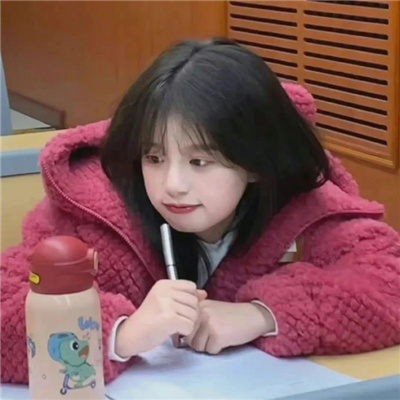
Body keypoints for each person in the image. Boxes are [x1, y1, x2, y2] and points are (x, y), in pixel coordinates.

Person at [2, 38, 399, 385]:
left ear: (256, 162)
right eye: (154, 158)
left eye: (200, 162)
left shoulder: (303, 203)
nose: (173, 184)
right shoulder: (94, 213)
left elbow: (388, 281)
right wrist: (119, 334)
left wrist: (263, 314)